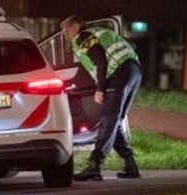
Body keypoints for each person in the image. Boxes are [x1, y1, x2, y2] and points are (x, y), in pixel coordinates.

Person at [61, 16, 142, 181]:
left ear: (75, 27)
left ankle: (94, 165)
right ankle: (130, 163)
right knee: (116, 119)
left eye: (66, 30)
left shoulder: (82, 37)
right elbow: (129, 47)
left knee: (108, 118)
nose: (66, 35)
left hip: (118, 73)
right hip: (134, 71)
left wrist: (100, 89)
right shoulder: (100, 32)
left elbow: (99, 59)